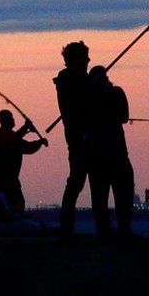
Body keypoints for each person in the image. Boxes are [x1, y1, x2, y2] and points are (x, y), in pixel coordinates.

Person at [85, 65, 136, 240]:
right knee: (101, 195)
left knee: (122, 192)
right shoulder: (88, 95)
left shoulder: (114, 92)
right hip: (101, 153)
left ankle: (121, 227)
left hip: (114, 152)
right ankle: (105, 228)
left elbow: (123, 116)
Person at [53, 41, 92, 240]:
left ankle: (67, 224)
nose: (89, 61)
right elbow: (81, 103)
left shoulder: (76, 79)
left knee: (83, 181)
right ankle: (66, 224)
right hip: (80, 139)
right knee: (77, 180)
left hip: (83, 137)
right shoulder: (69, 80)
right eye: (86, 58)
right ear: (76, 60)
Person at [0, 109, 48, 214]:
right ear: (5, 120)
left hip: (8, 181)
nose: (13, 120)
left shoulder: (5, 135)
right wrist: (27, 129)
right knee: (15, 204)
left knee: (15, 204)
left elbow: (20, 143)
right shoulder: (2, 136)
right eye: (11, 118)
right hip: (6, 182)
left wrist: (29, 132)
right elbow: (18, 144)